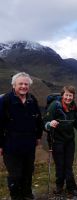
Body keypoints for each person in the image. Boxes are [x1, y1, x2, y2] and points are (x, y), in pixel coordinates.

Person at [0, 72, 43, 200]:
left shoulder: (32, 100)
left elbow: (38, 119)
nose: (24, 86)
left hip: (29, 143)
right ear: (14, 85)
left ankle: (27, 193)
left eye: (26, 84)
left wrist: (38, 136)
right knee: (15, 174)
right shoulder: (5, 100)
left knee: (28, 171)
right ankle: (16, 196)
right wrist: (0, 144)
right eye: (21, 84)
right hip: (11, 144)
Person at [43, 85, 77, 197]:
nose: (68, 98)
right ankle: (59, 186)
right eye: (66, 95)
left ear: (73, 97)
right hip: (57, 141)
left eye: (70, 95)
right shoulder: (55, 106)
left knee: (68, 165)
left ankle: (71, 188)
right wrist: (50, 124)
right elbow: (45, 123)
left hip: (69, 141)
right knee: (60, 165)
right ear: (62, 95)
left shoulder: (73, 107)